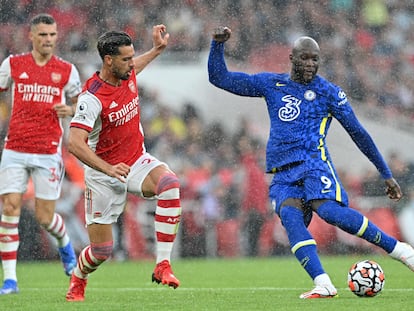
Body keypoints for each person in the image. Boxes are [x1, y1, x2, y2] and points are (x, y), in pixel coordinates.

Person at [208, 26, 414, 299]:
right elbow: (220, 78)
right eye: (305, 58)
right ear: (291, 58)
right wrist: (217, 46)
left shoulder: (329, 93)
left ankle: (400, 250)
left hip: (313, 164)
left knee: (329, 212)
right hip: (282, 173)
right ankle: (323, 283)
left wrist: (385, 173)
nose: (310, 64)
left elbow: (359, 133)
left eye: (315, 59)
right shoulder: (273, 84)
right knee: (291, 219)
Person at [65, 25, 181, 302]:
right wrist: (108, 168)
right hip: (103, 174)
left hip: (136, 161)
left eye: (132, 58)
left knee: (169, 184)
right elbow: (74, 143)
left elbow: (136, 67)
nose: (132, 64)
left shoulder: (127, 74)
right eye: (126, 59)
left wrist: (156, 50)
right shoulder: (91, 98)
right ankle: (78, 277)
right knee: (102, 251)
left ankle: (162, 264)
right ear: (108, 60)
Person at [0, 13, 80, 295]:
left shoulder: (67, 71)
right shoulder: (13, 64)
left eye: (52, 35)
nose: (48, 39)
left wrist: (70, 110)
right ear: (31, 36)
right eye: (43, 34)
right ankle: (10, 280)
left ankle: (65, 245)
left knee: (45, 218)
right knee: (10, 209)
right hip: (15, 148)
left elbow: (81, 104)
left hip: (48, 152)